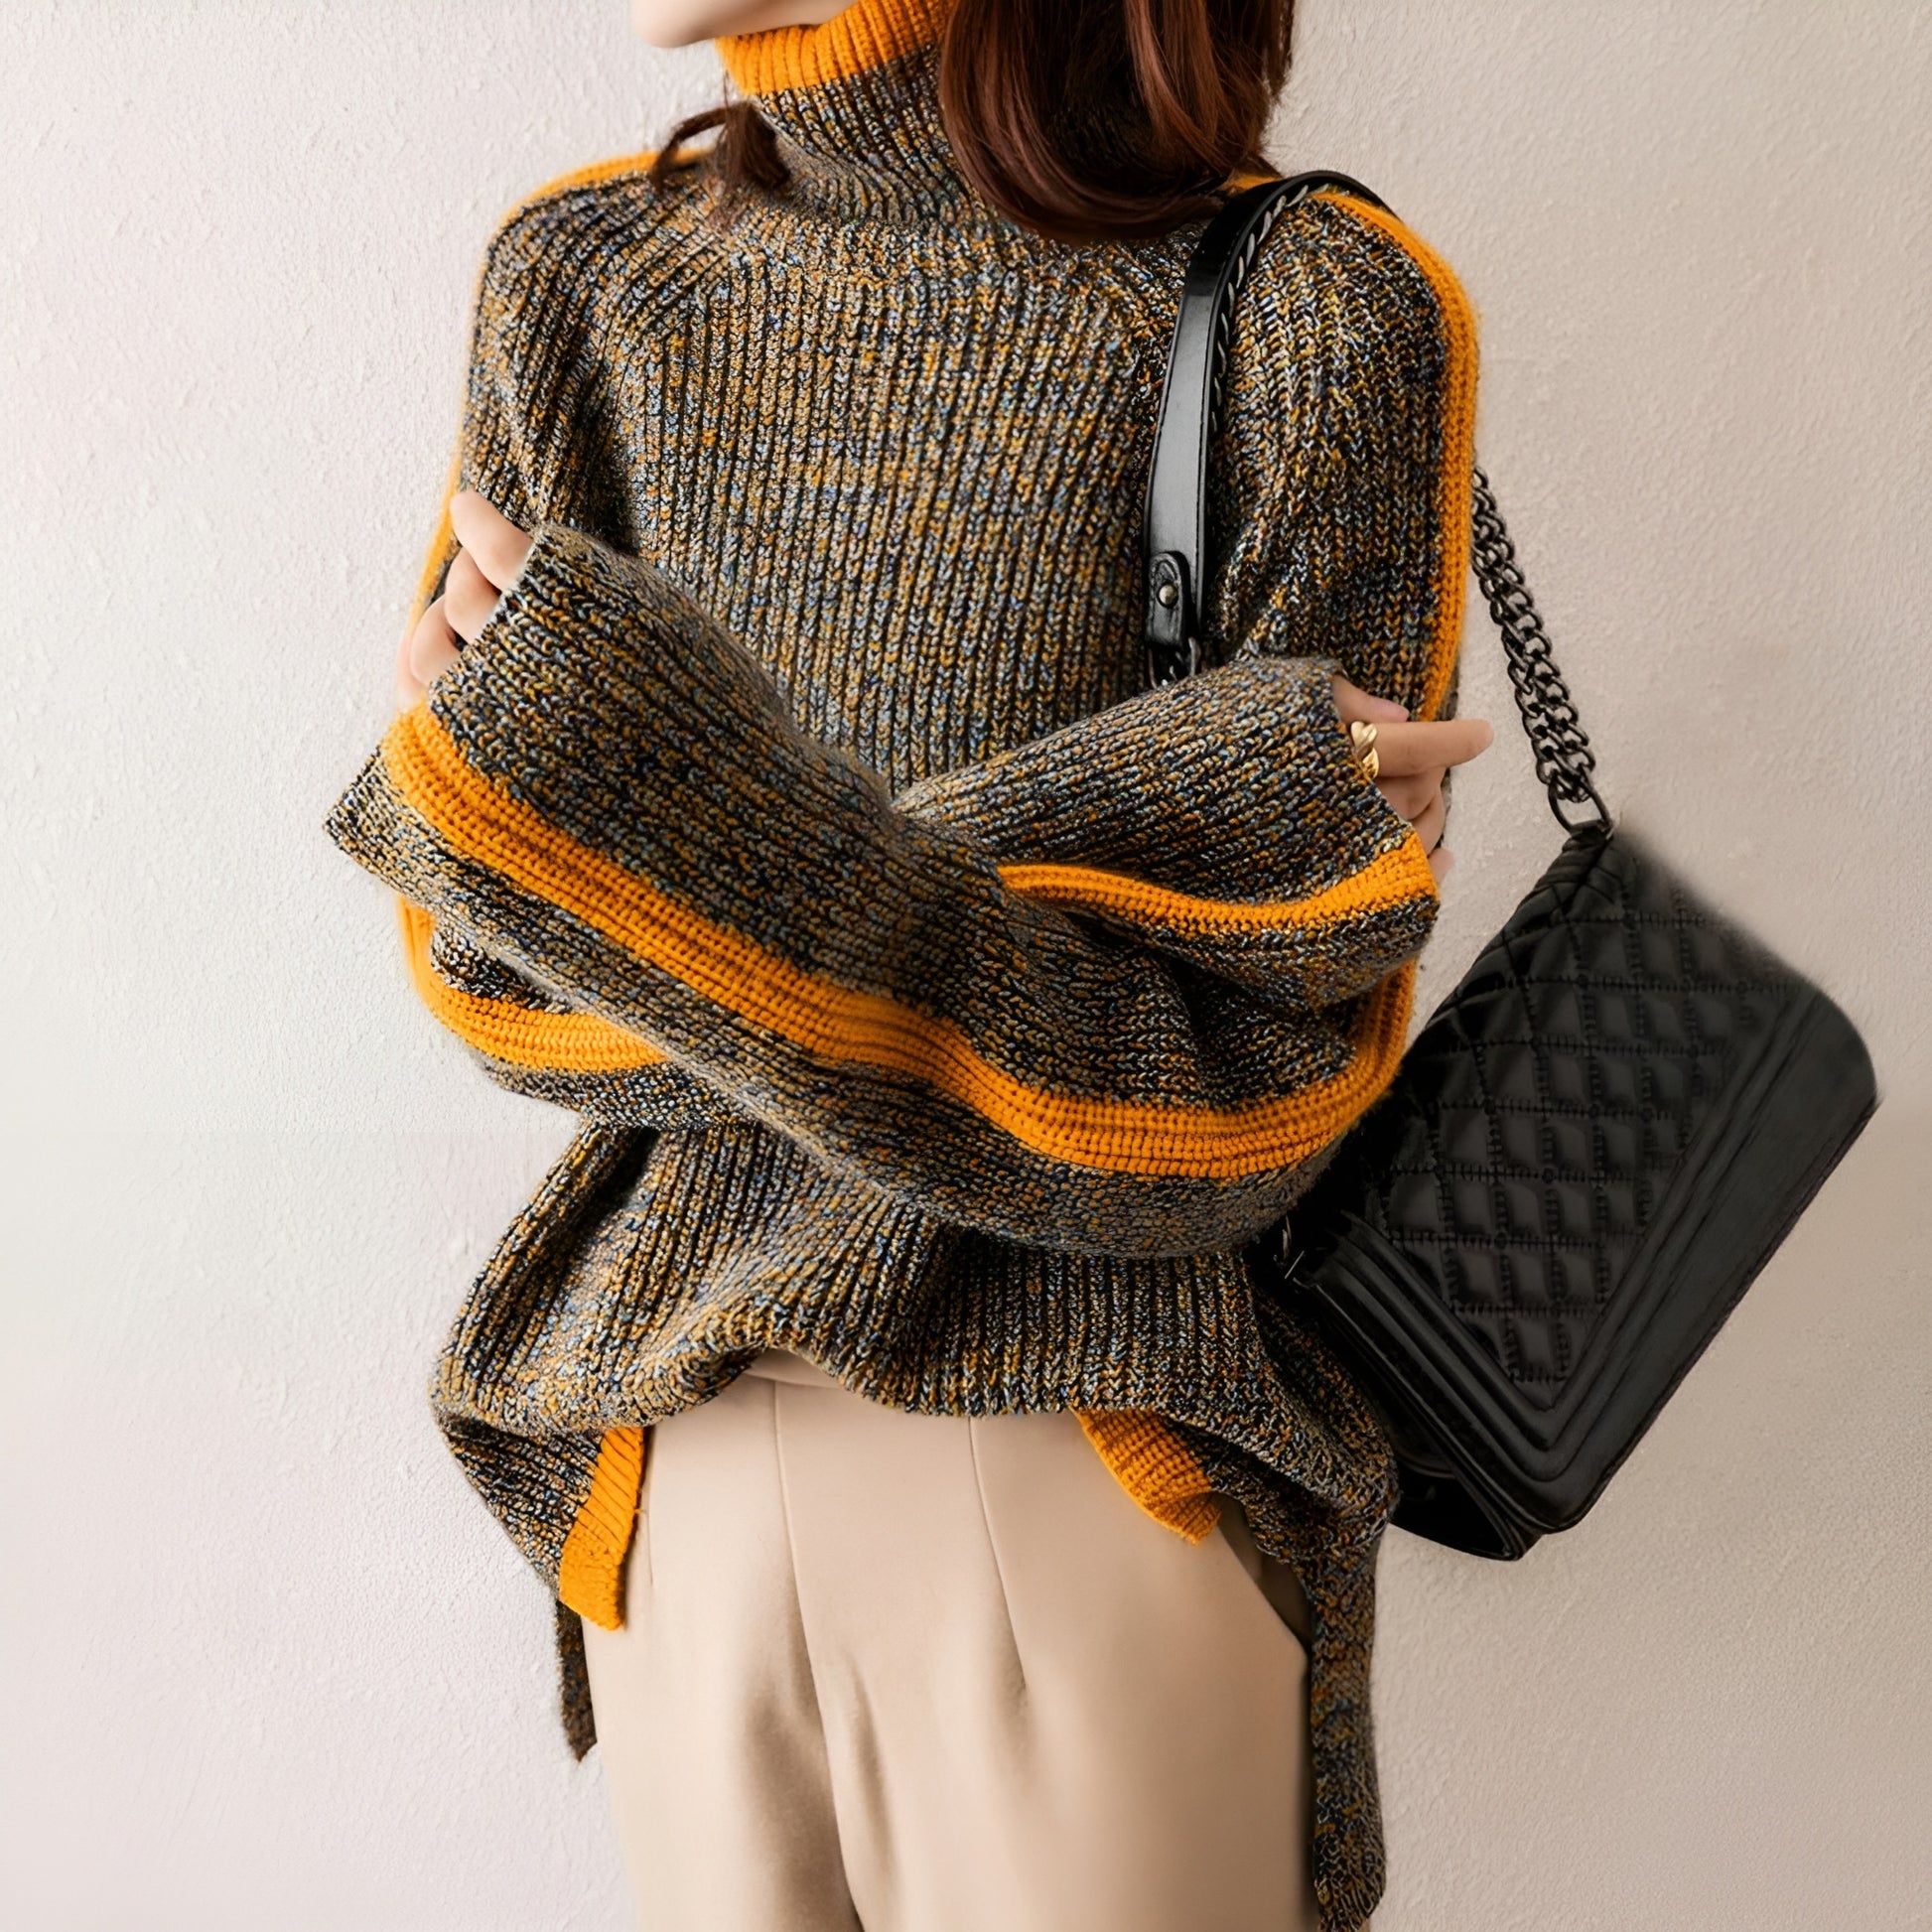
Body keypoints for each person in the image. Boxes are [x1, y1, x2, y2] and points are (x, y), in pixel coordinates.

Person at [325, 0, 1495, 1926]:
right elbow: (493, 974)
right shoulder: (577, 285)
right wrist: (1156, 800)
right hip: (671, 1490)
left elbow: (1245, 1097)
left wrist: (645, 824)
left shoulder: (1310, 311)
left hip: (1088, 1483)